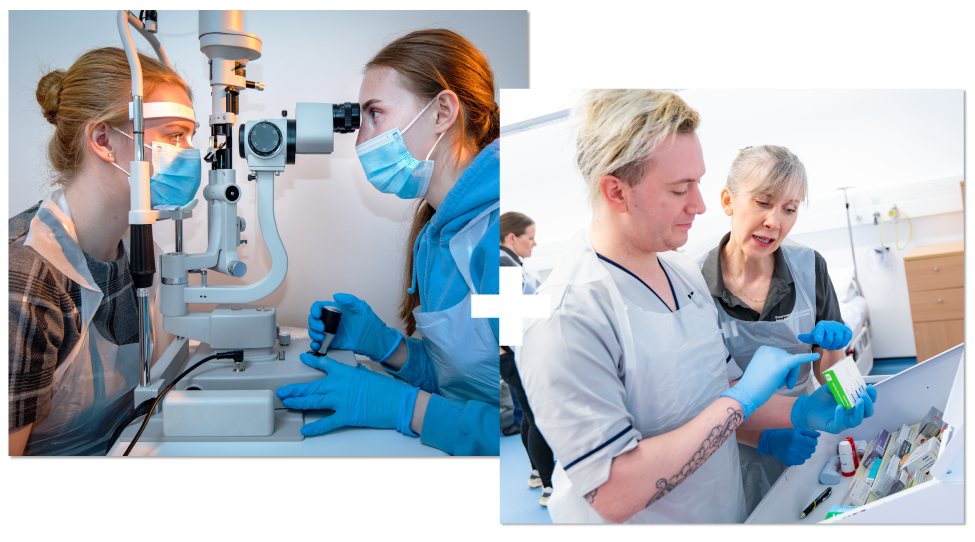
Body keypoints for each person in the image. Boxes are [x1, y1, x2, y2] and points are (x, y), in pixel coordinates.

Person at [518, 88, 877, 523]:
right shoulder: (568, 316)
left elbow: (720, 387)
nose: (701, 204)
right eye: (679, 188)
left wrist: (798, 411)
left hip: (725, 506)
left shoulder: (681, 275)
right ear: (616, 192)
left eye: (699, 183)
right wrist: (741, 401)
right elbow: (613, 492)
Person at [276, 30, 500, 456]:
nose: (361, 141)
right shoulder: (438, 234)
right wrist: (390, 349)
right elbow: (470, 381)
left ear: (442, 112)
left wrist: (406, 408)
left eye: (374, 114)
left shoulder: (497, 236)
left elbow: (536, 422)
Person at [8, 47, 196, 455]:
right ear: (103, 140)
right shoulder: (26, 274)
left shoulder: (140, 248)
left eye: (191, 137)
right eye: (175, 136)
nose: (191, 154)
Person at [691, 145, 852, 515]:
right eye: (763, 202)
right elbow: (696, 401)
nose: (774, 222)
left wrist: (840, 364)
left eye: (790, 209)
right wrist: (762, 439)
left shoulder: (809, 267)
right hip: (730, 446)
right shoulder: (693, 284)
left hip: (808, 431)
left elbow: (828, 372)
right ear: (728, 201)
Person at [500, 211, 556, 506]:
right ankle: (549, 486)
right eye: (530, 238)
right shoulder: (503, 263)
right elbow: (507, 320)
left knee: (527, 415)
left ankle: (536, 472)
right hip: (514, 354)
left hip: (512, 352)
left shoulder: (508, 262)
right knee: (537, 417)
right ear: (512, 238)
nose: (534, 244)